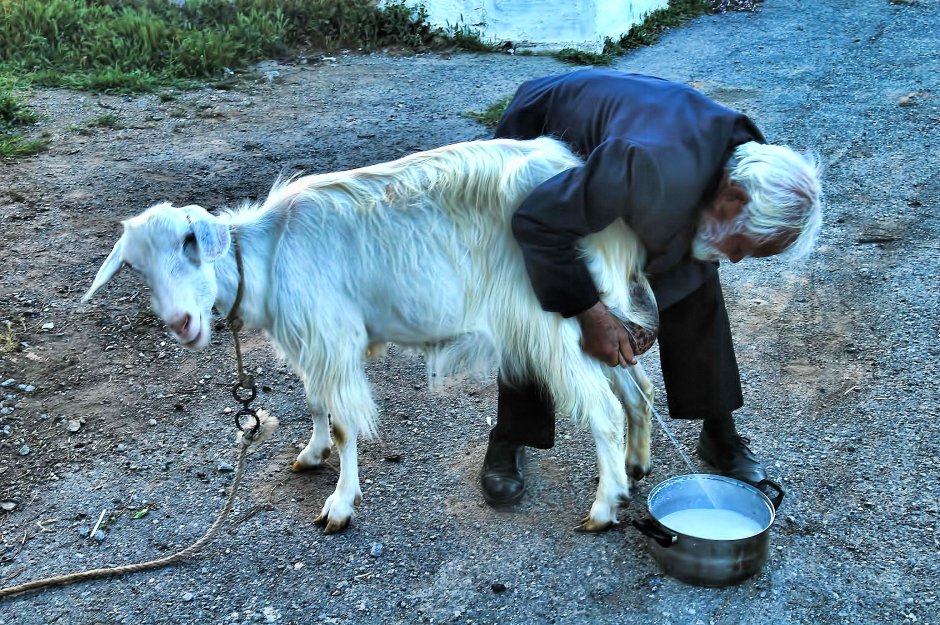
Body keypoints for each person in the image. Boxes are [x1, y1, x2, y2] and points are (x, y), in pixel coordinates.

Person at [480, 69, 822, 506]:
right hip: (547, 129)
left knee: (697, 286)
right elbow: (536, 223)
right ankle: (511, 435)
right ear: (733, 197)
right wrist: (592, 312)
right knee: (535, 297)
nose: (737, 259)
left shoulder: (747, 159)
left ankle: (720, 435)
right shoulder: (645, 167)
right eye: (742, 245)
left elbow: (678, 250)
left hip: (637, 159)